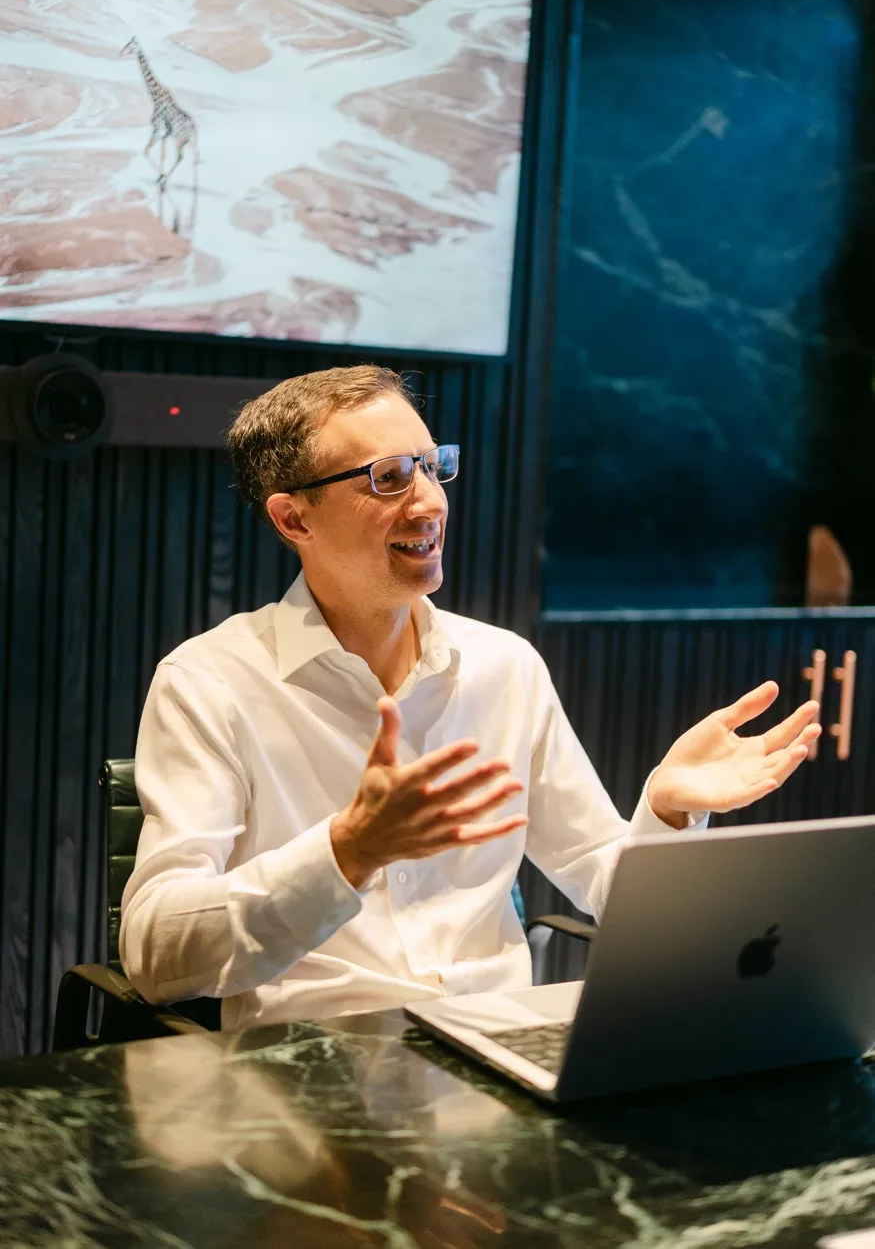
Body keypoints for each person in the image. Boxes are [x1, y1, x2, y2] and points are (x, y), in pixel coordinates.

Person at [120, 365, 821, 1029]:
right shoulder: (209, 682)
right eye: (388, 477)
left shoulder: (502, 665)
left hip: (495, 1040)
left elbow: (603, 877)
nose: (429, 500)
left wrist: (668, 810)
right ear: (294, 519)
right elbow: (153, 954)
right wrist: (346, 852)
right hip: (312, 1057)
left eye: (431, 465)